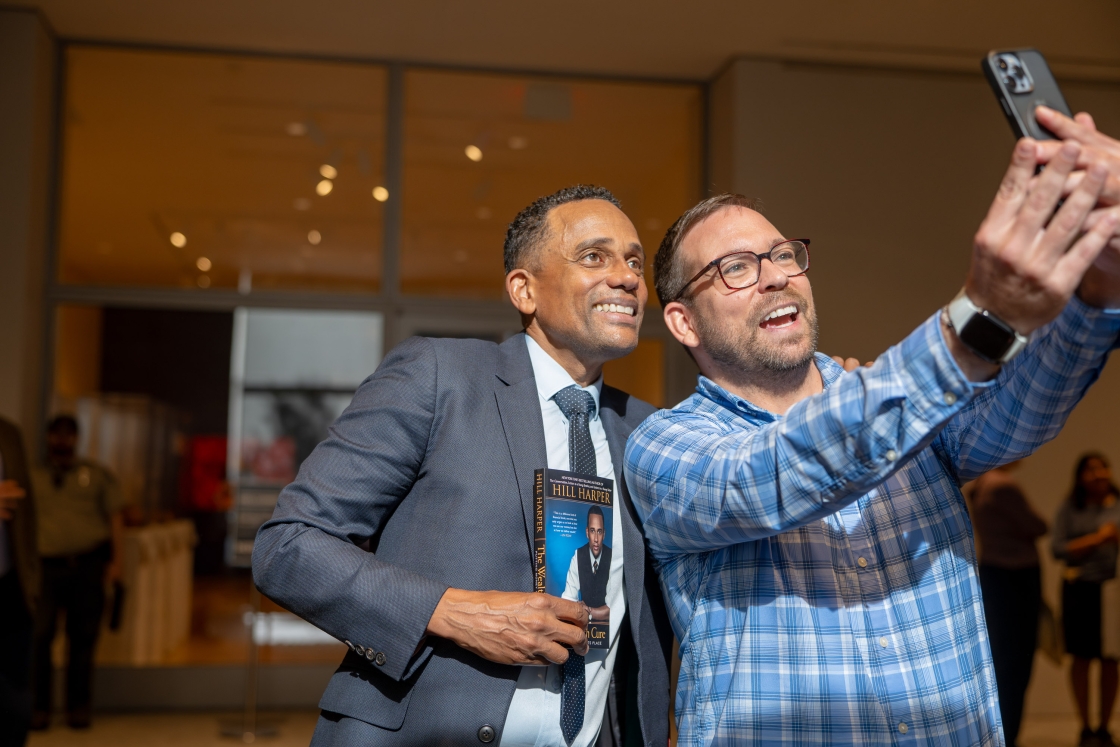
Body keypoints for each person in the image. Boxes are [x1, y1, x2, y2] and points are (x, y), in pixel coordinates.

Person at [624, 126, 1120, 746]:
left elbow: (1020, 412)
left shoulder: (903, 408)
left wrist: (1100, 289)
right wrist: (973, 321)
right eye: (736, 268)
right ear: (683, 321)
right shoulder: (666, 447)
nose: (775, 277)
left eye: (783, 255)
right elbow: (765, 476)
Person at [253, 186, 674, 746]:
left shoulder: (649, 432)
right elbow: (288, 546)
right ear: (524, 289)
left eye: (634, 262)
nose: (626, 278)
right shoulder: (438, 377)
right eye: (594, 257)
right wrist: (455, 613)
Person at [31, 415, 126, 730]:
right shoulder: (33, 474)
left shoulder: (96, 475)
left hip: (86, 565)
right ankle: (38, 708)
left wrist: (117, 562)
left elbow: (115, 518)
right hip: (45, 568)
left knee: (83, 638)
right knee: (39, 637)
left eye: (68, 434)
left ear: (76, 438)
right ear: (48, 437)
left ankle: (79, 707)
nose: (62, 439)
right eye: (56, 434)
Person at [970, 461, 1047, 747]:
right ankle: (1008, 734)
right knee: (1015, 662)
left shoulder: (981, 484)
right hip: (1015, 577)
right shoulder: (1002, 485)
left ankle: (1002, 733)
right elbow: (1037, 526)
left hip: (996, 573)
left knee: (1002, 659)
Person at [1053, 453, 1120, 747]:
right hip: (1079, 589)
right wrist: (1097, 539)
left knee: (1110, 659)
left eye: (1102, 467)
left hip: (1112, 591)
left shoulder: (1117, 504)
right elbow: (1057, 548)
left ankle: (1104, 727)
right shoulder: (1070, 508)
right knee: (1081, 657)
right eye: (1091, 469)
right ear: (1080, 476)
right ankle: (1085, 728)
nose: (1098, 474)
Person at [0, 417, 39, 747]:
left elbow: (28, 513)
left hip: (11, 584)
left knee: (14, 704)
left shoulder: (8, 433)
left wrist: (32, 578)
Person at [562, 506, 612, 625]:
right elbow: (567, 603)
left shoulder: (612, 558)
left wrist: (587, 611)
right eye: (592, 531)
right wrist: (597, 612)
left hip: (606, 629)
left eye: (599, 531)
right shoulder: (578, 556)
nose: (596, 539)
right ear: (587, 532)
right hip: (583, 628)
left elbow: (612, 609)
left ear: (604, 534)